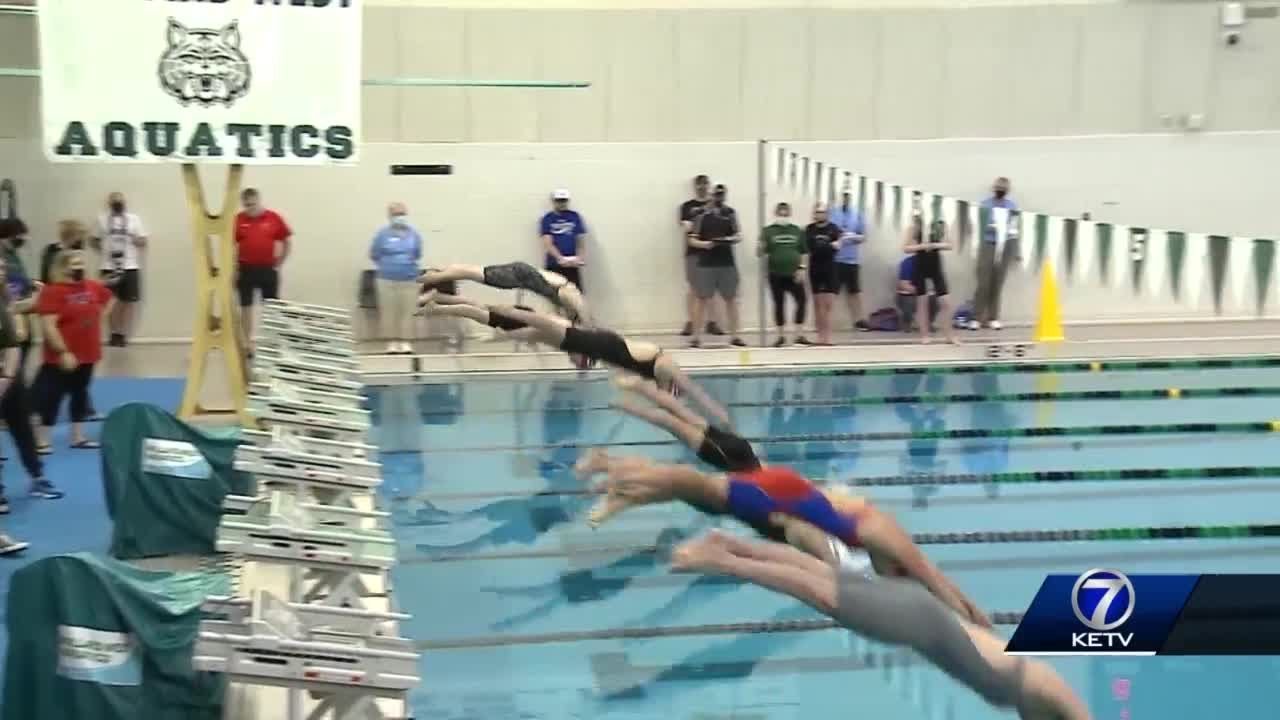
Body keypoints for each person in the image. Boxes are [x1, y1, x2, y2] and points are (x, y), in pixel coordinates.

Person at [670, 524, 1092, 720]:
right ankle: (723, 559)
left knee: (826, 580)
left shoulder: (1036, 695)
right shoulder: (1050, 691)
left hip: (926, 618)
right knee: (823, 594)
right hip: (923, 625)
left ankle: (729, 545)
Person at [584, 456, 988, 626]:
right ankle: (609, 466)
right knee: (692, 483)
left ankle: (621, 493)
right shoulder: (889, 541)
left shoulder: (868, 543)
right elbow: (940, 586)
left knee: (694, 492)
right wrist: (982, 632)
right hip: (779, 495)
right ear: (897, 569)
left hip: (784, 501)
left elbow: (809, 543)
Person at [418, 291, 728, 426]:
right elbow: (683, 393)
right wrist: (712, 413)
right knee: (491, 314)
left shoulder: (604, 350)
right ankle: (439, 304)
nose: (577, 364)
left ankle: (440, 302)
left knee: (492, 316)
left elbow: (674, 397)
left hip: (562, 332)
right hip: (557, 327)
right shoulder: (659, 364)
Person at [577, 373, 758, 477]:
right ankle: (624, 404)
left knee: (678, 410)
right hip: (723, 455)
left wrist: (731, 429)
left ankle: (640, 386)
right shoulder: (759, 489)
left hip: (741, 448)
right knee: (669, 420)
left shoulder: (768, 475)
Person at [33, 249, 112, 453]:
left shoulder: (92, 286)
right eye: (74, 264)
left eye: (81, 263)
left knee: (80, 393)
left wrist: (98, 319)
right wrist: (63, 352)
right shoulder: (53, 291)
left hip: (88, 353)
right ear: (62, 268)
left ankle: (78, 437)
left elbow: (108, 299)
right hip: (62, 356)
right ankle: (42, 440)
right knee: (52, 396)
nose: (79, 267)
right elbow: (49, 326)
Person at [0, 257, 59, 504]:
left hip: (10, 378)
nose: (2, 271)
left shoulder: (5, 302)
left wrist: (7, 377)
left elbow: (13, 345)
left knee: (23, 429)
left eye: (3, 267)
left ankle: (37, 477)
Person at [419, 261, 590, 324]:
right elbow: (584, 316)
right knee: (468, 272)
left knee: (469, 271)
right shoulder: (571, 297)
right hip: (522, 275)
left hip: (523, 274)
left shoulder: (566, 298)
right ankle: (423, 278)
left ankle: (431, 277)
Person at [234, 188, 292, 355]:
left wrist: (279, 263)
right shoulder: (238, 220)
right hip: (245, 269)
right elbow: (230, 246)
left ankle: (274, 342)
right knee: (246, 307)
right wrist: (233, 269)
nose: (249, 208)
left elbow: (286, 241)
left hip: (268, 269)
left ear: (259, 201)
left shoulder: (273, 218)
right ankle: (247, 344)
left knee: (272, 307)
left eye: (252, 204)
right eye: (246, 206)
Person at [688, 184, 745, 348]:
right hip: (706, 263)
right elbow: (692, 239)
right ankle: (696, 337)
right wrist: (705, 244)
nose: (719, 198)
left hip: (726, 262)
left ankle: (735, 336)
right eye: (716, 195)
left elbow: (738, 235)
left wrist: (731, 239)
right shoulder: (701, 214)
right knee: (701, 300)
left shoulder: (730, 213)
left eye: (722, 196)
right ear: (711, 195)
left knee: (731, 299)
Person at [91, 191, 147, 347]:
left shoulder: (134, 219)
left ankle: (122, 334)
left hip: (130, 266)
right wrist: (104, 250)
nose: (117, 204)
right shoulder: (102, 219)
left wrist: (133, 238)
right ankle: (114, 333)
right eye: (114, 202)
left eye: (120, 201)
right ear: (109, 204)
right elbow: (93, 239)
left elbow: (143, 240)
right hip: (108, 267)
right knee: (109, 301)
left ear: (125, 203)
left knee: (128, 302)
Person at [369, 202, 422, 354]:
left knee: (407, 311)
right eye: (396, 214)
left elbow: (417, 253)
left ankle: (405, 342)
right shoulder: (382, 234)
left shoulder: (414, 234)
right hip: (386, 278)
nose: (400, 217)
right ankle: (391, 342)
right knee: (389, 311)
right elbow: (374, 254)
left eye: (402, 214)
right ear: (390, 216)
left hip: (409, 278)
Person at [758, 202, 810, 347]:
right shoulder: (768, 231)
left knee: (802, 300)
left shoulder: (797, 231)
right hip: (775, 273)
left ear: (789, 214)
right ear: (776, 213)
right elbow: (760, 253)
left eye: (785, 213)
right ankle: (780, 336)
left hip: (794, 273)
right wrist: (760, 247)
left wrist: (802, 268)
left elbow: (804, 252)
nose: (783, 216)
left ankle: (799, 334)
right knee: (779, 303)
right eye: (780, 213)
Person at [904, 213, 958, 344]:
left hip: (935, 265)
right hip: (920, 265)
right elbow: (905, 248)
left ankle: (949, 335)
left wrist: (934, 245)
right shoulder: (915, 225)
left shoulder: (939, 223)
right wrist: (922, 246)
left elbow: (950, 245)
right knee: (922, 302)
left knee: (946, 302)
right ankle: (925, 335)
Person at [972, 176, 1018, 331]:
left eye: (1003, 190)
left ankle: (993, 317)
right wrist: (995, 226)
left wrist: (1016, 251)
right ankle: (977, 317)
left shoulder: (1011, 206)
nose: (1000, 191)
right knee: (983, 283)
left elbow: (1014, 229)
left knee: (997, 283)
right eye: (998, 189)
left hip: (1005, 245)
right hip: (988, 243)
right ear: (994, 189)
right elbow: (980, 225)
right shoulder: (986, 205)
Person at [679, 175, 722, 337]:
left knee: (711, 289)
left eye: (705, 184)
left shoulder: (715, 205)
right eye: (699, 184)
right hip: (694, 253)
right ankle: (692, 322)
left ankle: (712, 322)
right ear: (695, 186)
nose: (702, 187)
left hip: (712, 253)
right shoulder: (687, 207)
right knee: (693, 288)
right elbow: (686, 227)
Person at [829, 189, 870, 332]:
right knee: (832, 291)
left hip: (852, 260)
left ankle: (859, 320)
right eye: (844, 196)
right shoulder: (834, 212)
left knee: (855, 292)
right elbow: (830, 232)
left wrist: (852, 236)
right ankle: (826, 321)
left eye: (849, 196)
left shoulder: (858, 214)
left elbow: (864, 237)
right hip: (836, 259)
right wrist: (839, 236)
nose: (846, 198)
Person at [804, 202, 842, 345]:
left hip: (830, 268)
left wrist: (826, 247)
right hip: (815, 269)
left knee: (828, 305)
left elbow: (837, 246)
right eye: (818, 212)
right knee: (817, 304)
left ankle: (827, 337)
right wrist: (828, 246)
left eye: (823, 212)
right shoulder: (809, 229)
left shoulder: (833, 228)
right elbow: (811, 247)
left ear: (827, 213)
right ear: (814, 214)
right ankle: (820, 337)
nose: (820, 214)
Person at [540, 189, 587, 292]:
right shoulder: (547, 218)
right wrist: (560, 258)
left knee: (576, 295)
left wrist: (580, 257)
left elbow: (580, 240)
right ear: (553, 201)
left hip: (572, 265)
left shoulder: (575, 217)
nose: (561, 203)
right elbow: (548, 243)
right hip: (553, 265)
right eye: (559, 200)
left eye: (564, 200)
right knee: (554, 297)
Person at [896, 254, 939, 333]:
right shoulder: (908, 263)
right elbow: (903, 284)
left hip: (923, 293)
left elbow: (933, 284)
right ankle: (907, 322)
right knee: (908, 302)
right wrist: (920, 291)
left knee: (936, 300)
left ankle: (928, 323)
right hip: (908, 295)